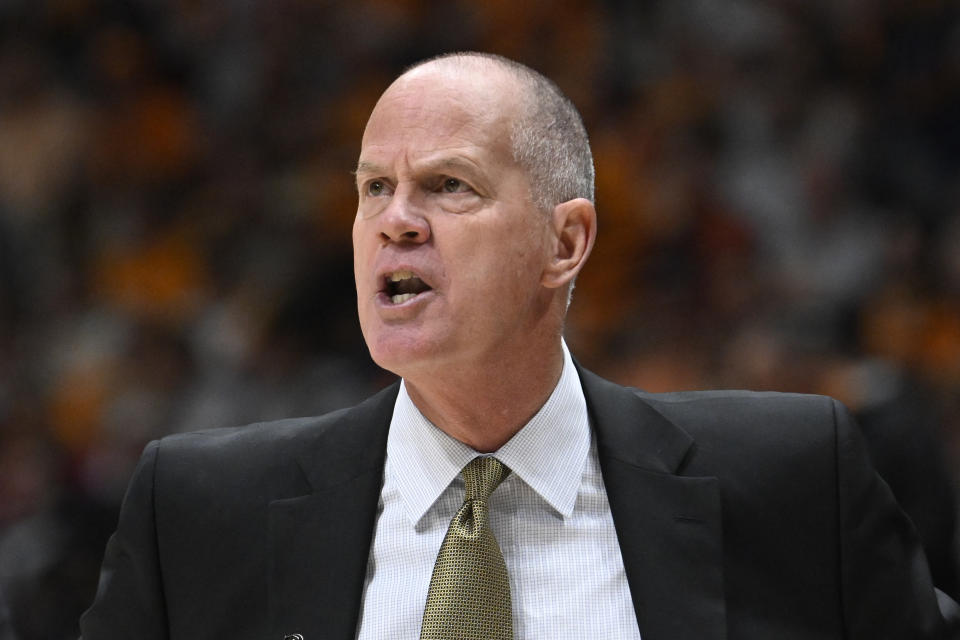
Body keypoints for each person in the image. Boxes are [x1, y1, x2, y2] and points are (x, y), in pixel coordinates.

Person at [81, 52, 959, 639]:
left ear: (564, 243)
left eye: (447, 185)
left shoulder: (791, 480)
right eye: (374, 187)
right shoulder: (197, 514)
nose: (395, 221)